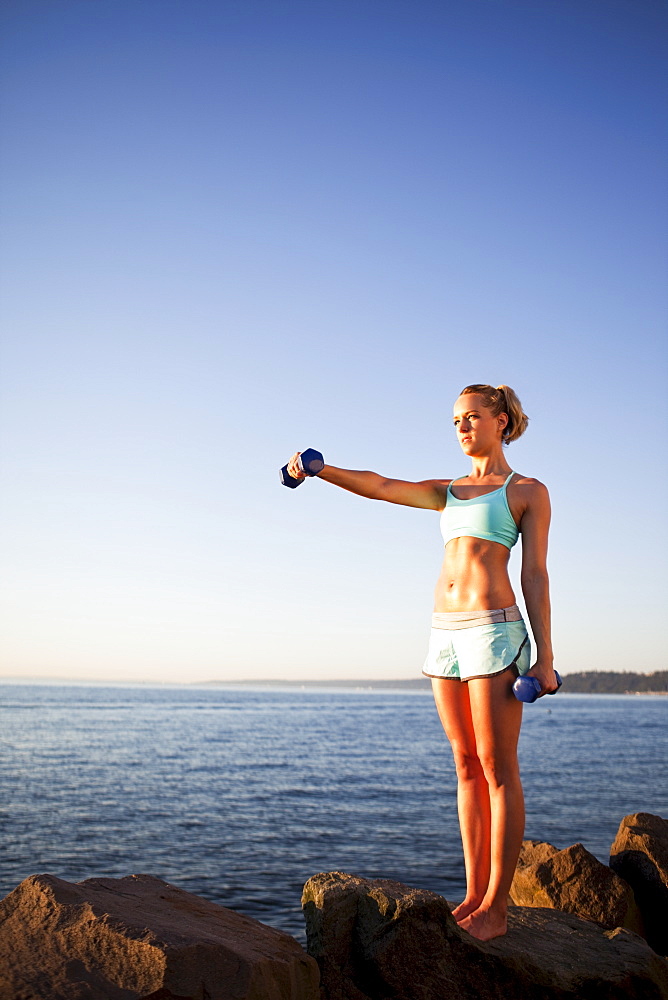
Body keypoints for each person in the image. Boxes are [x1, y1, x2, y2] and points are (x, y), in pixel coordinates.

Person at [286, 383, 557, 942]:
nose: (461, 426)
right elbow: (383, 487)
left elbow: (535, 574)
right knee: (464, 765)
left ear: (501, 420)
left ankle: (497, 908)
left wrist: (545, 657)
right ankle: (473, 893)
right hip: (444, 635)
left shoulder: (525, 491)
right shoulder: (449, 490)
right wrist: (321, 470)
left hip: (493, 632)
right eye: (455, 419)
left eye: (472, 416)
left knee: (496, 767)